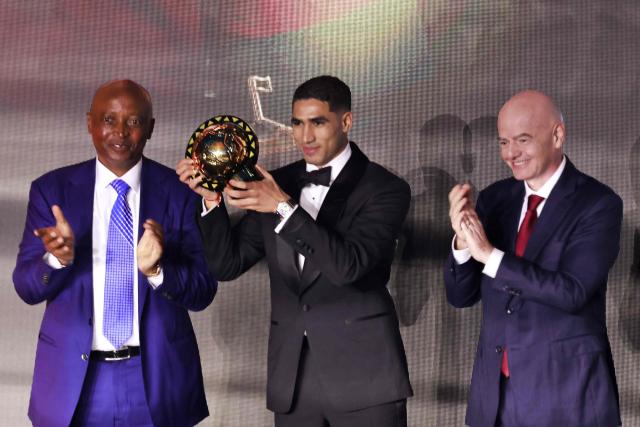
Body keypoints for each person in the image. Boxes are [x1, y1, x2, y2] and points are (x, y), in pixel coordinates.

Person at [177, 75, 412, 426]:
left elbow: (348, 266)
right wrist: (212, 203)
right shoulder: (277, 182)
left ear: (346, 121)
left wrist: (284, 208)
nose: (305, 136)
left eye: (318, 123)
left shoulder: (385, 188)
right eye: (297, 123)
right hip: (293, 380)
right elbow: (227, 265)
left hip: (366, 379)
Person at [13, 79, 216, 427]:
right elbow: (27, 287)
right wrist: (56, 260)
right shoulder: (52, 190)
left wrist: (157, 271)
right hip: (76, 380)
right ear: (90, 122)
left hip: (156, 379)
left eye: (134, 122)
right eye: (109, 120)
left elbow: (202, 291)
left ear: (150, 128)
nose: (120, 132)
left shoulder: (180, 193)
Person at [444, 90, 622, 427]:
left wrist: (491, 256)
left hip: (566, 398)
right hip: (493, 399)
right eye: (503, 143)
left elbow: (573, 291)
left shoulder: (598, 204)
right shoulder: (495, 198)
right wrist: (462, 241)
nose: (511, 154)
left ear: (557, 135)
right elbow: (459, 296)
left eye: (522, 140)